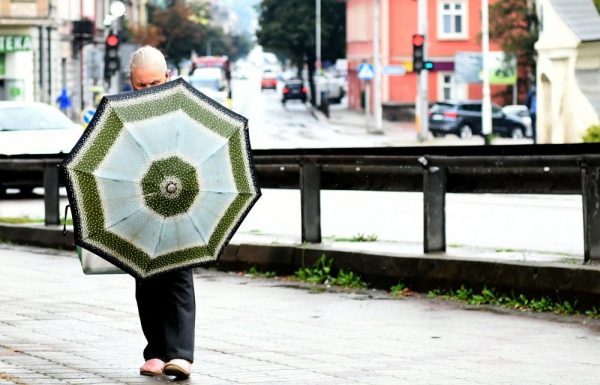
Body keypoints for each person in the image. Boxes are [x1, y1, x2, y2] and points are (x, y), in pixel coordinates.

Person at [126, 46, 195, 379]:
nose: (149, 91)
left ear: (168, 77)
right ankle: (155, 351)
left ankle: (181, 355)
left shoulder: (185, 110)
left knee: (178, 273)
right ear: (131, 83)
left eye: (155, 82)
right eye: (141, 86)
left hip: (180, 199)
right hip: (141, 204)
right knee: (146, 275)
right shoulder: (121, 116)